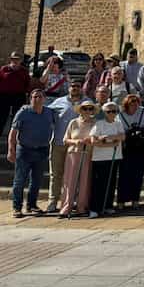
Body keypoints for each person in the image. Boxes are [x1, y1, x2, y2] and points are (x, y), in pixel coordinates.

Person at [7, 89, 55, 217]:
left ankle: (32, 205)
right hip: (24, 150)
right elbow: (13, 133)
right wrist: (11, 150)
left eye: (39, 97)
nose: (37, 99)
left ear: (44, 99)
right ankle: (17, 207)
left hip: (42, 150)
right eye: (34, 97)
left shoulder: (49, 112)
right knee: (20, 180)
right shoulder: (23, 112)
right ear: (30, 99)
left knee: (36, 180)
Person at [47, 79, 82, 212]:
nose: (75, 88)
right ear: (68, 88)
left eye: (77, 86)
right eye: (72, 86)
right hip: (58, 143)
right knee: (56, 174)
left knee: (75, 175)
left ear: (81, 88)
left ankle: (72, 200)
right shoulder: (59, 102)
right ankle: (53, 201)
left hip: (75, 145)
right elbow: (46, 114)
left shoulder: (86, 103)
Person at [59, 100, 96, 217]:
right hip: (73, 154)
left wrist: (90, 140)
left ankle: (81, 207)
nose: (87, 111)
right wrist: (76, 141)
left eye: (90, 109)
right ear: (81, 110)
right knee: (69, 181)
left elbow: (96, 138)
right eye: (85, 108)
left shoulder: (95, 123)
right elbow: (65, 140)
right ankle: (66, 207)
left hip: (87, 154)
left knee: (85, 181)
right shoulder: (73, 122)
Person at [88, 102, 125, 218]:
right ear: (104, 113)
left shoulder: (118, 124)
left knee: (111, 182)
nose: (112, 114)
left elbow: (122, 137)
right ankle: (95, 208)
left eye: (114, 111)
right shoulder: (99, 124)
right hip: (99, 158)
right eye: (109, 111)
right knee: (98, 184)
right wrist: (110, 143)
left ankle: (108, 206)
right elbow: (94, 140)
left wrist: (107, 138)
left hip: (114, 157)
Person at [116, 94, 144, 209]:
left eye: (136, 103)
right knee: (124, 174)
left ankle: (135, 200)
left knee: (138, 174)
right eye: (131, 104)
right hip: (126, 147)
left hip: (139, 146)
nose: (134, 106)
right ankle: (121, 200)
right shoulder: (120, 115)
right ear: (126, 104)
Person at [0, 51, 30, 135]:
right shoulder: (4, 69)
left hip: (18, 96)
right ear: (10, 59)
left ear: (21, 60)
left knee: (17, 116)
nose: (15, 61)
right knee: (2, 116)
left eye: (17, 59)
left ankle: (14, 136)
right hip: (4, 96)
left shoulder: (24, 71)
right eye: (13, 59)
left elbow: (27, 84)